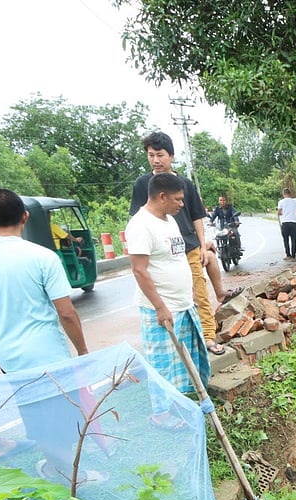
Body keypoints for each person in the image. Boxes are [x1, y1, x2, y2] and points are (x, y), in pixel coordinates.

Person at [0, 188, 93, 483]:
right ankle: (72, 478)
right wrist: (83, 352)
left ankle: (54, 468)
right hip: (49, 357)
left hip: (10, 358)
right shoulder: (42, 257)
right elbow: (66, 312)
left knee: (36, 417)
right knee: (63, 420)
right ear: (25, 216)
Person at [130, 132, 233, 354]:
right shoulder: (143, 184)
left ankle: (208, 336)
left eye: (160, 155)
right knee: (167, 299)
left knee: (198, 293)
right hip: (159, 252)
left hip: (188, 246)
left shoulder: (185, 183)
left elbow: (197, 215)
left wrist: (203, 245)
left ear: (171, 157)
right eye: (151, 155)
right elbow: (137, 216)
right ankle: (179, 342)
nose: (155, 160)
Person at [126, 171, 211, 429]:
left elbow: (176, 259)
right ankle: (160, 413)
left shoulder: (169, 220)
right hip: (162, 309)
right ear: (161, 196)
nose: (181, 204)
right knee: (162, 363)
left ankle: (181, 400)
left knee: (185, 358)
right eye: (178, 199)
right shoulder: (140, 225)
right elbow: (139, 270)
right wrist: (160, 307)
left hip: (183, 304)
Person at [277, 189, 296, 260]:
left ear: (283, 194)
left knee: (285, 239)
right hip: (293, 222)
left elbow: (279, 212)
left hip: (285, 223)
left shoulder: (281, 202)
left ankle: (288, 255)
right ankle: (293, 256)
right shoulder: (295, 202)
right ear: (290, 194)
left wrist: (283, 214)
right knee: (294, 239)